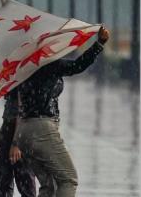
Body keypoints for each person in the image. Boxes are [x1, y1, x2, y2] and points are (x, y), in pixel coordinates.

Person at [11, 26, 110, 197]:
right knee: (68, 179)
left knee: (49, 185)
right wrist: (99, 44)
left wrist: (15, 140)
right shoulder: (48, 63)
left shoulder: (25, 67)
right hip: (41, 128)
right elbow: (77, 65)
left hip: (25, 131)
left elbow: (16, 102)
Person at [0, 88, 36, 197]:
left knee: (24, 178)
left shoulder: (22, 76)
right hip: (9, 128)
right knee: (3, 179)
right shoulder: (13, 77)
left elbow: (21, 110)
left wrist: (17, 142)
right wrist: (2, 132)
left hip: (20, 131)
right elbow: (10, 106)